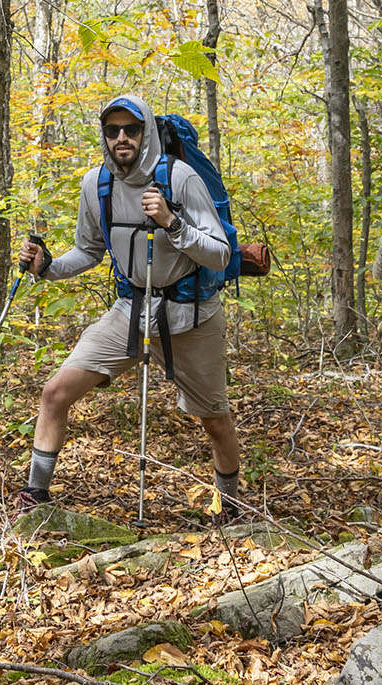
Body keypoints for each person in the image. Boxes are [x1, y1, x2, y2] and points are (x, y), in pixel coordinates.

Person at [16, 94, 239, 521]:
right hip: (131, 311)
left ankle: (231, 508)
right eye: (112, 130)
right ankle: (34, 501)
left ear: (146, 132)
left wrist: (172, 223)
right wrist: (48, 268)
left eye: (131, 129)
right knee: (55, 393)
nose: (122, 138)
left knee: (215, 421)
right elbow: (88, 251)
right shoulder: (96, 184)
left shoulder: (181, 178)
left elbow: (220, 254)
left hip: (192, 316)